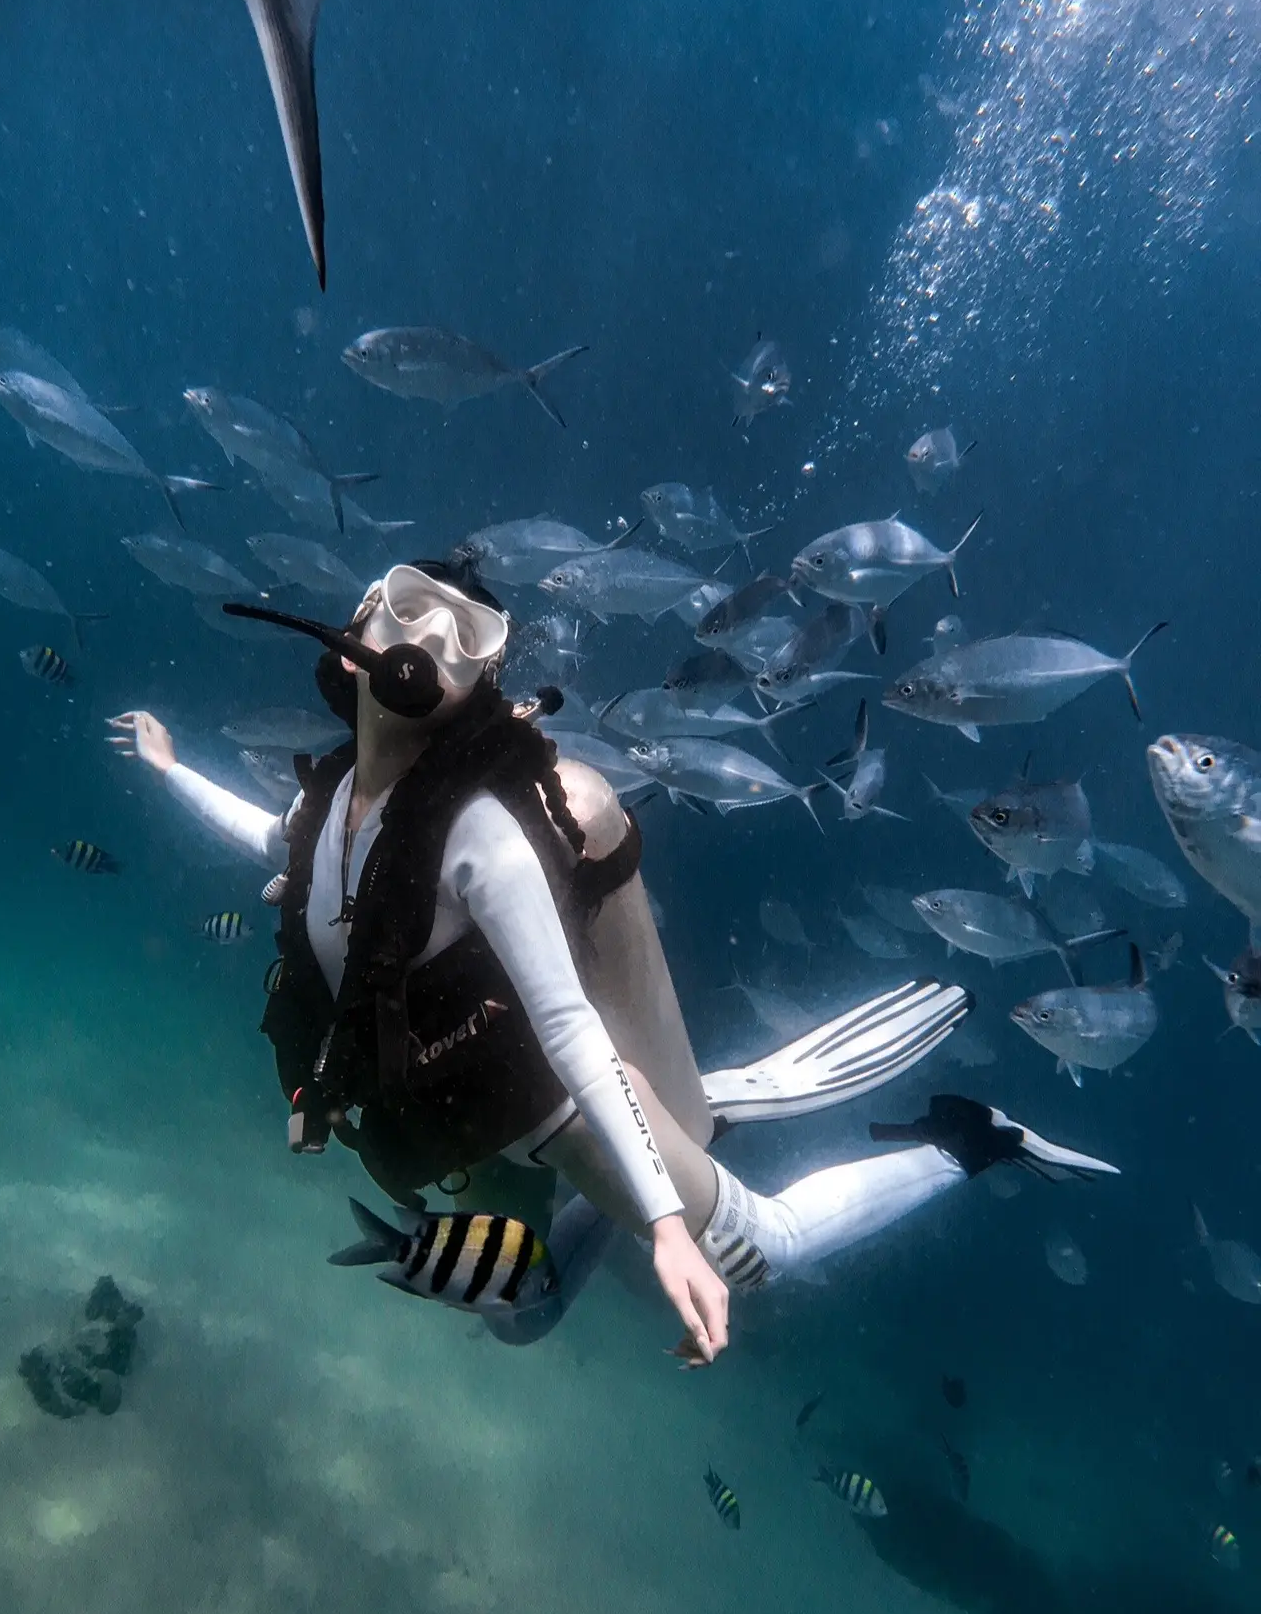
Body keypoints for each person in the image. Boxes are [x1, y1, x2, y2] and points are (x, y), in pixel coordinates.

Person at [109, 560, 1116, 1363]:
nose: (432, 636)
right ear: (361, 625)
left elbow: (564, 1028)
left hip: (562, 1114)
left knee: (768, 1247)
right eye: (414, 606)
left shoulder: (477, 838)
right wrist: (169, 770)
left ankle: (969, 1142)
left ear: (474, 690)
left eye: (470, 637)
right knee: (518, 1316)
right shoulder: (328, 808)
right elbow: (272, 843)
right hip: (473, 1115)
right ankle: (689, 1108)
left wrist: (671, 1229)